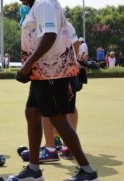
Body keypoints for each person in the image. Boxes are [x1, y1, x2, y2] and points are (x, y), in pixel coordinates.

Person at [15, 0, 99, 181]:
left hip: (51, 70)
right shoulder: (38, 5)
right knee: (32, 112)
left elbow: (50, 35)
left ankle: (87, 171)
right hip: (43, 71)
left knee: (58, 118)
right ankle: (34, 169)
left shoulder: (44, 3)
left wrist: (27, 65)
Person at [40, 21, 82, 162]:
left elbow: (76, 44)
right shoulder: (62, 23)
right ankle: (65, 146)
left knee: (49, 108)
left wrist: (69, 65)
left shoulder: (61, 24)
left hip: (59, 71)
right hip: (66, 70)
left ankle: (52, 148)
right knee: (69, 108)